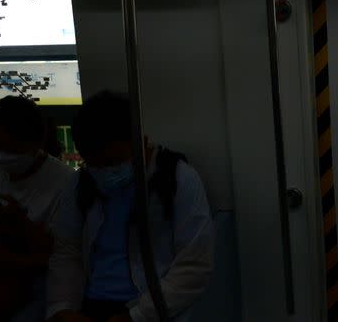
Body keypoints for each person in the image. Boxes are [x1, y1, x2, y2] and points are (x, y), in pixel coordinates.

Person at [47, 91, 214, 322]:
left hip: (151, 307)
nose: (104, 172)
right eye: (93, 163)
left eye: (112, 161)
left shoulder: (177, 179)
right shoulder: (80, 184)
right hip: (92, 306)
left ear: (141, 142)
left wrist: (136, 316)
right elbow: (66, 251)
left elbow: (194, 265)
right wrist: (62, 307)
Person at [0, 96, 75, 321]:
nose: (2, 156)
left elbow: (62, 256)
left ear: (37, 143)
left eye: (12, 148)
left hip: (38, 283)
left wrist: (20, 228)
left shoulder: (67, 184)